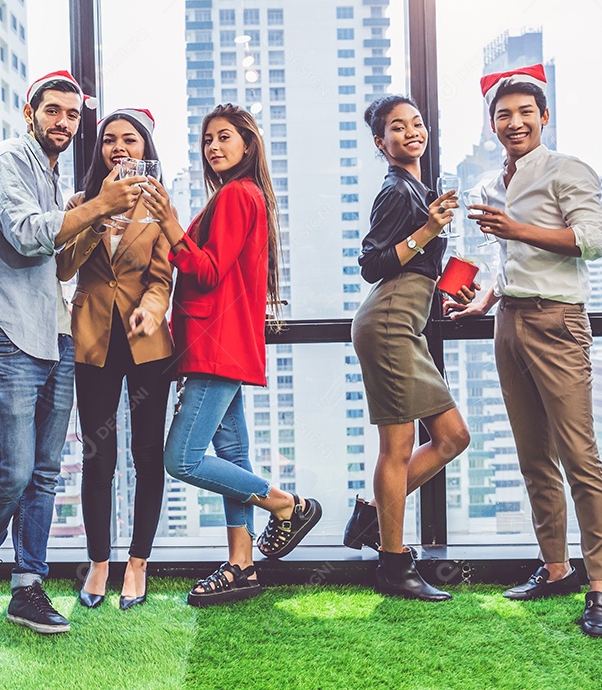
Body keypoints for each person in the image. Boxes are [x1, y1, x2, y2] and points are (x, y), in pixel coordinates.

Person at [0, 70, 144, 634]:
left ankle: (27, 585)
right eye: (53, 111)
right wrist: (97, 205)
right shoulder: (9, 159)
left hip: (54, 332)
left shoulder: (52, 178)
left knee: (45, 472)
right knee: (14, 468)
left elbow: (59, 266)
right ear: (30, 113)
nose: (64, 123)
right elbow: (28, 235)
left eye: (73, 115)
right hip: (5, 329)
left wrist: (95, 219)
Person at [446, 64, 602, 637]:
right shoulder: (491, 184)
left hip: (558, 322)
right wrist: (484, 299)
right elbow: (505, 262)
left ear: (544, 117)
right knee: (532, 455)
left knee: (579, 457)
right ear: (492, 124)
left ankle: (601, 588)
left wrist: (517, 229)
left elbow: (592, 241)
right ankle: (556, 568)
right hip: (510, 321)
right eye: (503, 114)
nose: (514, 122)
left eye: (525, 112)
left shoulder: (567, 170)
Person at [143, 103, 321, 607]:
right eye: (207, 139)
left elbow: (206, 271)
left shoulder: (237, 195)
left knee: (181, 458)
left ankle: (286, 504)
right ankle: (242, 566)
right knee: (233, 456)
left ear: (247, 144)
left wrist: (171, 225)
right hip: (218, 344)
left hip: (214, 347)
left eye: (224, 137)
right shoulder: (238, 195)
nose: (214, 147)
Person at [344, 95, 475, 601]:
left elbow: (412, 265)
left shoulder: (420, 189)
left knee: (453, 437)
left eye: (416, 123)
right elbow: (372, 264)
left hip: (407, 319)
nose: (411, 132)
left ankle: (372, 518)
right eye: (397, 127)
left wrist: (445, 286)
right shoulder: (396, 190)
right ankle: (393, 565)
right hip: (389, 323)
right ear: (381, 142)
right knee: (397, 449)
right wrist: (429, 230)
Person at [56, 108, 174, 611]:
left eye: (130, 139)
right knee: (97, 457)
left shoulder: (160, 206)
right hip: (92, 340)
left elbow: (162, 279)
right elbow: (64, 266)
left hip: (146, 344)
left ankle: (138, 563)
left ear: (146, 149)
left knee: (147, 455)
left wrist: (152, 310)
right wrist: (98, 213)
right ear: (99, 150)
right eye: (109, 140)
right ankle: (99, 563)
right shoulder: (80, 203)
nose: (119, 147)